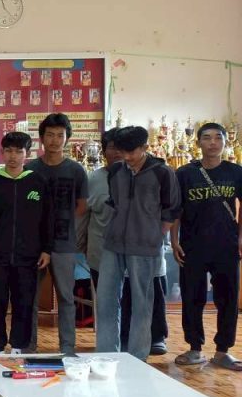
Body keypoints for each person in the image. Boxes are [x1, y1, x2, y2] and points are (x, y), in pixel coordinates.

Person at [95, 126, 180, 360]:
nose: (127, 157)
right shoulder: (116, 171)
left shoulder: (163, 173)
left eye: (132, 152)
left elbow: (171, 211)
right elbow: (115, 204)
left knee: (142, 303)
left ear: (145, 147)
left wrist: (154, 236)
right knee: (105, 300)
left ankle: (137, 357)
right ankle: (106, 356)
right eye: (123, 151)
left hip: (145, 246)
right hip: (113, 244)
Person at [172, 122, 242, 370]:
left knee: (228, 298)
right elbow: (176, 209)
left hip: (226, 245)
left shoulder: (236, 172)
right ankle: (194, 348)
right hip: (192, 245)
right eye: (207, 138)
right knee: (192, 297)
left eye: (218, 137)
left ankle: (223, 351)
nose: (213, 142)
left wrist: (240, 237)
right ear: (198, 142)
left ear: (225, 141)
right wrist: (174, 239)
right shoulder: (184, 174)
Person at [0, 132, 53, 355]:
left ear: (27, 154)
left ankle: (19, 347)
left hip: (28, 256)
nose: (13, 156)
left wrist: (46, 249)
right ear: (2, 152)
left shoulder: (38, 182)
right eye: (8, 151)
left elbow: (48, 219)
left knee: (24, 302)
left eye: (18, 151)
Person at [26, 113, 87, 355]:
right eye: (49, 135)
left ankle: (67, 348)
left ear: (67, 138)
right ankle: (28, 346)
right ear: (41, 138)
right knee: (29, 297)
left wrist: (64, 223)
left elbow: (82, 206)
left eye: (59, 135)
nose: (54, 140)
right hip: (34, 244)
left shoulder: (76, 170)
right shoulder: (30, 169)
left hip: (64, 243)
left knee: (66, 297)